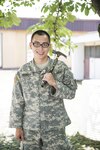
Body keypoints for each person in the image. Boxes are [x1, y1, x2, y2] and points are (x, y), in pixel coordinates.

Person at [9, 30, 77, 150]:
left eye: (45, 44)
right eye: (36, 44)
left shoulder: (61, 68)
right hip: (30, 129)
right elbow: (17, 101)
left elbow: (72, 93)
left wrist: (55, 83)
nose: (41, 48)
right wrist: (17, 127)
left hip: (55, 129)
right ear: (31, 45)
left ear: (49, 46)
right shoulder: (22, 72)